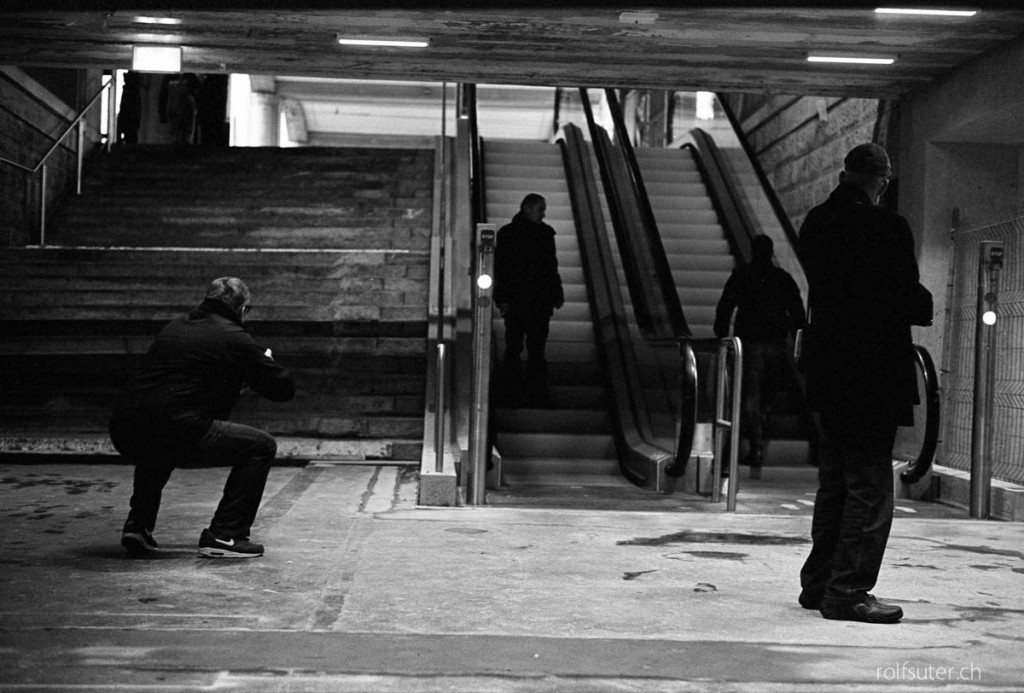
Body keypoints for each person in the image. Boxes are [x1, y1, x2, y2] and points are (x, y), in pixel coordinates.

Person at [797, 143, 932, 623]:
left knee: (835, 479)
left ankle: (819, 583)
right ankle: (848, 590)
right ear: (880, 182)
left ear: (843, 175)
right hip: (873, 372)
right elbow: (910, 300)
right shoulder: (887, 227)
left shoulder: (815, 223)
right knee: (870, 484)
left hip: (828, 371)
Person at [110, 277, 295, 559]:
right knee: (261, 446)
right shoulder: (234, 336)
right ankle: (225, 534)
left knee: (160, 435)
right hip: (175, 426)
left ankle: (138, 525)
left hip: (124, 429)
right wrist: (263, 362)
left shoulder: (175, 327)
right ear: (243, 309)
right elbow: (283, 388)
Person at [713, 234, 806, 471]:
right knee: (766, 392)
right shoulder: (782, 278)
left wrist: (721, 332)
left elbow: (726, 305)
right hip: (776, 344)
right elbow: (796, 311)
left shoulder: (742, 275)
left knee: (750, 393)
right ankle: (759, 429)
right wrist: (801, 338)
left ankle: (755, 444)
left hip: (750, 343)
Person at [493, 193, 564, 407]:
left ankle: (513, 391)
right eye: (540, 209)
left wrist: (502, 298)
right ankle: (534, 393)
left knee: (519, 346)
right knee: (530, 347)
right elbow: (503, 268)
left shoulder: (510, 233)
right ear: (527, 208)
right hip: (532, 300)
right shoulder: (541, 234)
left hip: (523, 301)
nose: (543, 214)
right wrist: (555, 292)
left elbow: (550, 266)